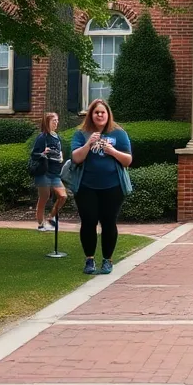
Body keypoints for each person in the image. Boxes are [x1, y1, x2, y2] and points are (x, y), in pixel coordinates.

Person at [70, 98, 133, 275]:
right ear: (91, 115)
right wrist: (89, 144)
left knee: (109, 222)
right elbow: (76, 158)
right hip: (86, 187)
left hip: (113, 187)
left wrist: (112, 151)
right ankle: (89, 260)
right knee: (88, 222)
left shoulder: (119, 134)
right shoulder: (81, 133)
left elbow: (128, 160)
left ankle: (107, 260)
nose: (99, 115)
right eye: (96, 112)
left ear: (108, 115)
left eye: (102, 112)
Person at [32, 112, 67, 231]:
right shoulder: (42, 137)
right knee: (44, 197)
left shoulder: (57, 137)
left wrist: (60, 156)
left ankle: (51, 219)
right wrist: (43, 153)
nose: (56, 123)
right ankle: (41, 224)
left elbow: (58, 151)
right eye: (54, 121)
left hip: (55, 173)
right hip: (44, 172)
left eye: (57, 120)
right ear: (47, 122)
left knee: (63, 196)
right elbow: (34, 155)